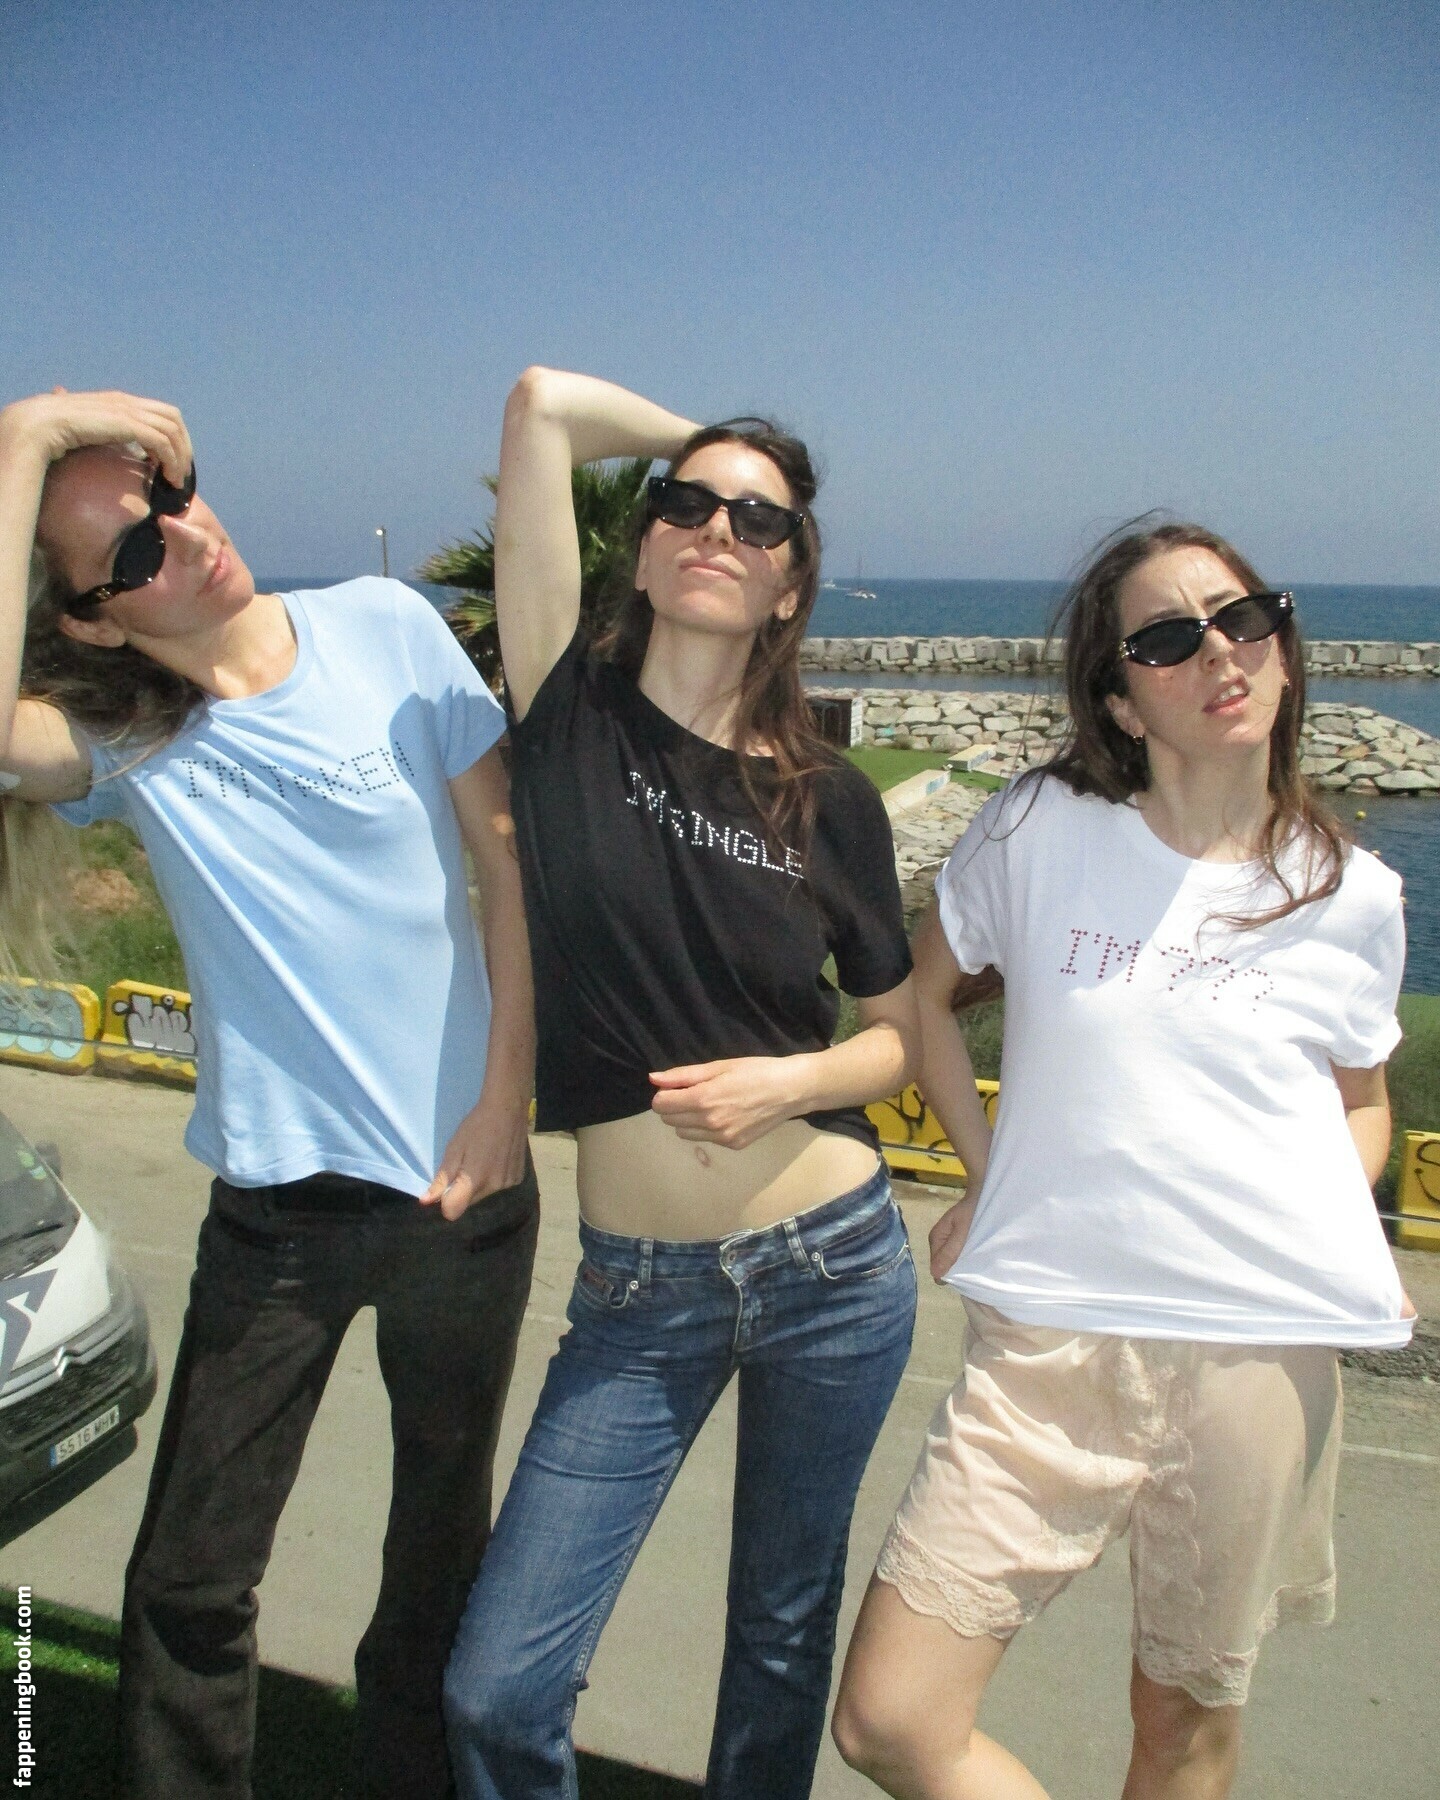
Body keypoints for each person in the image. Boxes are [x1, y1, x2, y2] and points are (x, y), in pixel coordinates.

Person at [0, 388, 541, 1800]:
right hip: (279, 1222)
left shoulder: (386, 623)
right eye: (130, 554)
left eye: (171, 500)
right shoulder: (123, 736)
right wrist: (25, 434)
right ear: (93, 623)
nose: (186, 540)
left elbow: (507, 867)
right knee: (189, 1577)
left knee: (438, 1561)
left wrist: (505, 1105)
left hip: (466, 1197)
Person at [832, 520, 1416, 1800]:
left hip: (1254, 1356)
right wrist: (989, 1174)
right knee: (890, 1718)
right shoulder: (1039, 828)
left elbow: (1361, 1106)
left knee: (1179, 1733)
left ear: (1282, 645)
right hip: (1047, 1345)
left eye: (1243, 618)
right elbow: (924, 997)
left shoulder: (1354, 893)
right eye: (1166, 638)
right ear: (1117, 696)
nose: (1220, 652)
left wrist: (1327, 1214)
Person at [441, 369, 921, 1800]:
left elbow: (896, 1037)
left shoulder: (830, 797)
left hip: (833, 1266)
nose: (718, 529)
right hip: (636, 1296)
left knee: (779, 1639)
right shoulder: (569, 713)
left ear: (791, 589)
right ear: (644, 552)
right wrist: (717, 442)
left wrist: (789, 1081)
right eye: (688, 507)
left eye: (759, 524)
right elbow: (541, 407)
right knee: (496, 1690)